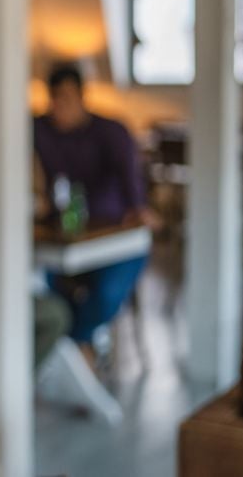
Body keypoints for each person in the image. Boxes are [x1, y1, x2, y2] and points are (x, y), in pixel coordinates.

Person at [33, 64, 153, 355]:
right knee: (41, 281)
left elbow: (131, 182)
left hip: (113, 232)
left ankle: (73, 344)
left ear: (81, 97)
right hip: (62, 234)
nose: (61, 106)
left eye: (67, 98)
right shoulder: (39, 129)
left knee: (106, 292)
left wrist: (138, 210)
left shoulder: (111, 132)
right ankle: (71, 345)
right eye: (56, 98)